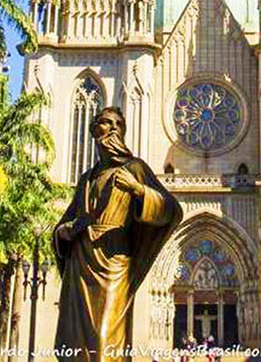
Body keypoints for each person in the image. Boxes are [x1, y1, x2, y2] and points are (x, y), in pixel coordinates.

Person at [52, 106, 183, 362]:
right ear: (93, 130)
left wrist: (139, 189)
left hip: (114, 262)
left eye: (118, 124)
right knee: (76, 344)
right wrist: (64, 232)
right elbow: (65, 222)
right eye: (105, 122)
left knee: (105, 341)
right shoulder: (86, 178)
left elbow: (171, 210)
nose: (113, 128)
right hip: (82, 263)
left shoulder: (134, 168)